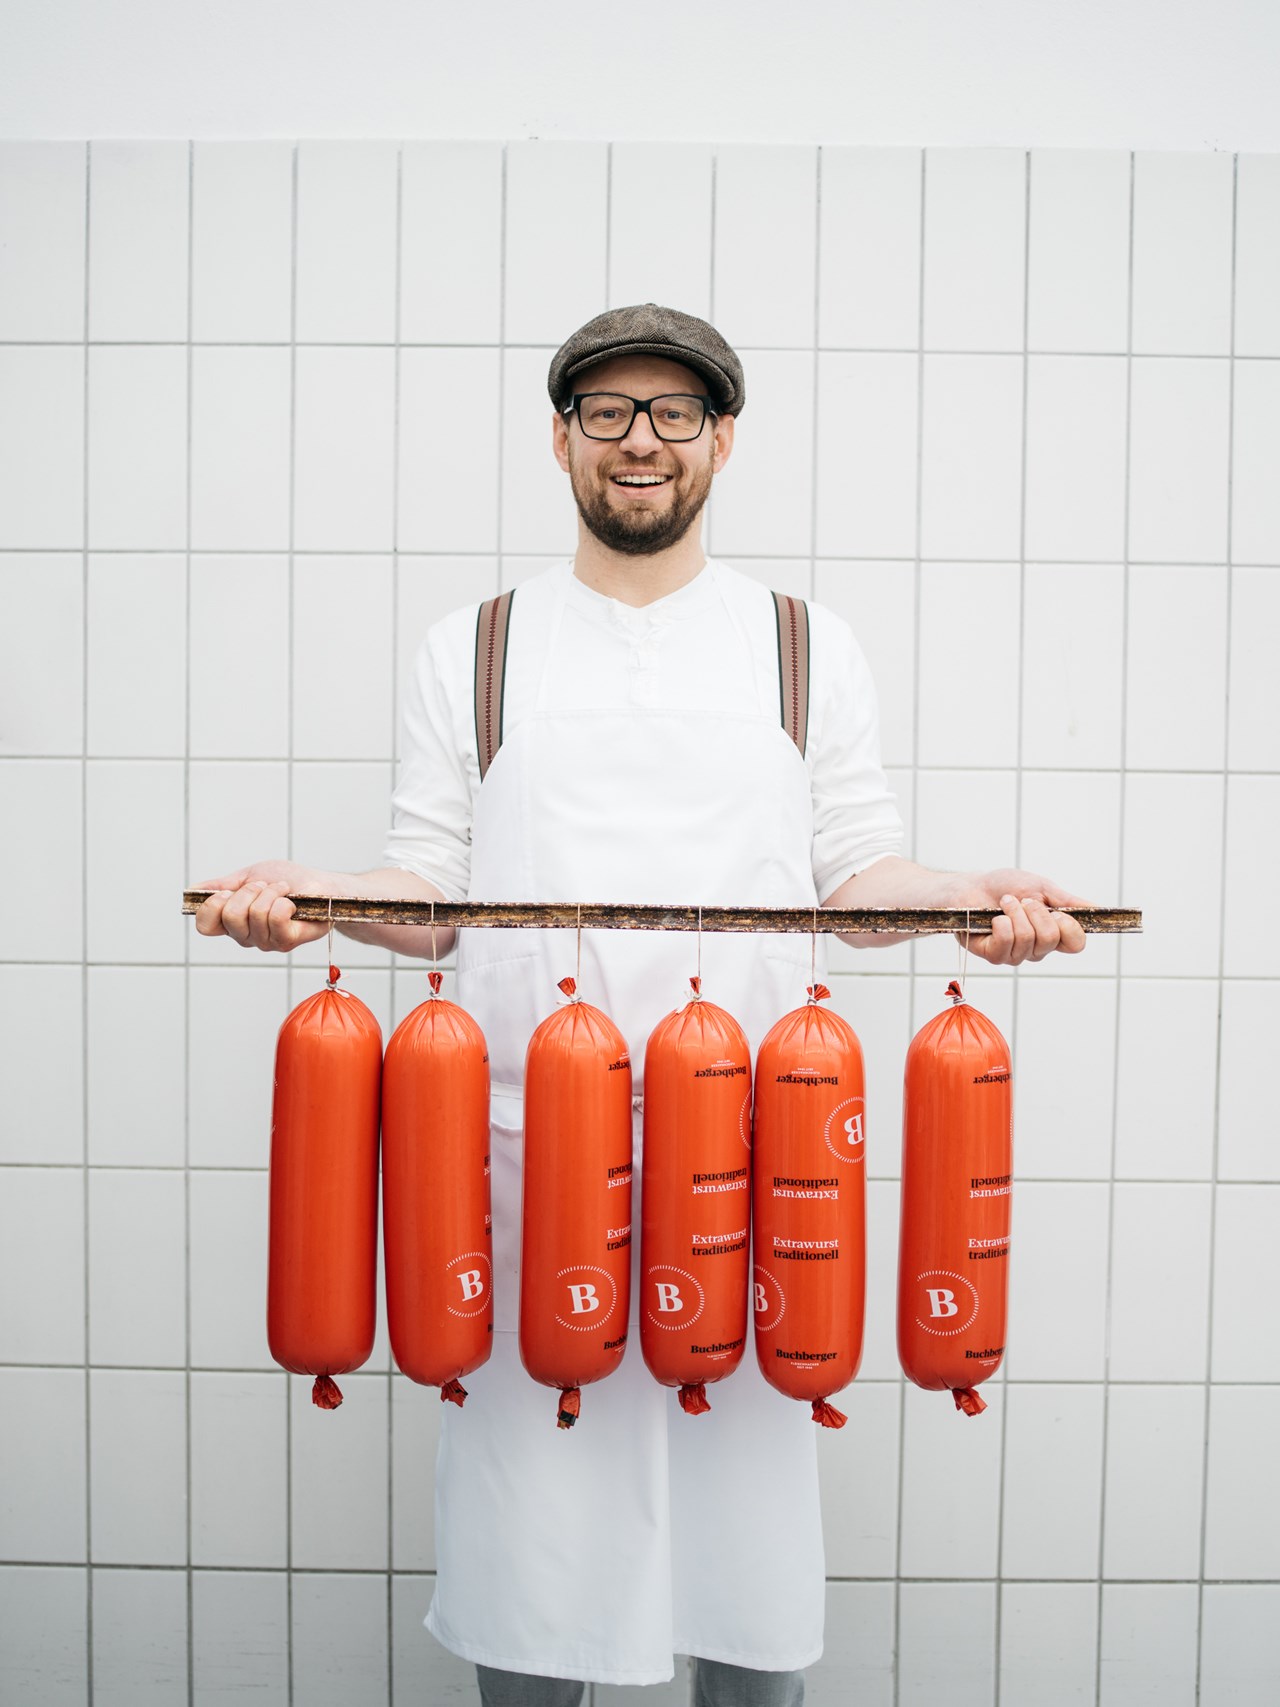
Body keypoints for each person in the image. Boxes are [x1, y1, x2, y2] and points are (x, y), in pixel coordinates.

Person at [197, 303, 1086, 1705]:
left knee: (749, 1597)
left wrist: (970, 898)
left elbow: (855, 875)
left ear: (722, 440)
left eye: (675, 413)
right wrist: (317, 894)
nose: (641, 441)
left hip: (747, 1170)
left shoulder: (801, 644)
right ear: (560, 441)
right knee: (533, 1587)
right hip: (519, 1178)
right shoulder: (477, 646)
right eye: (607, 413)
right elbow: (430, 889)